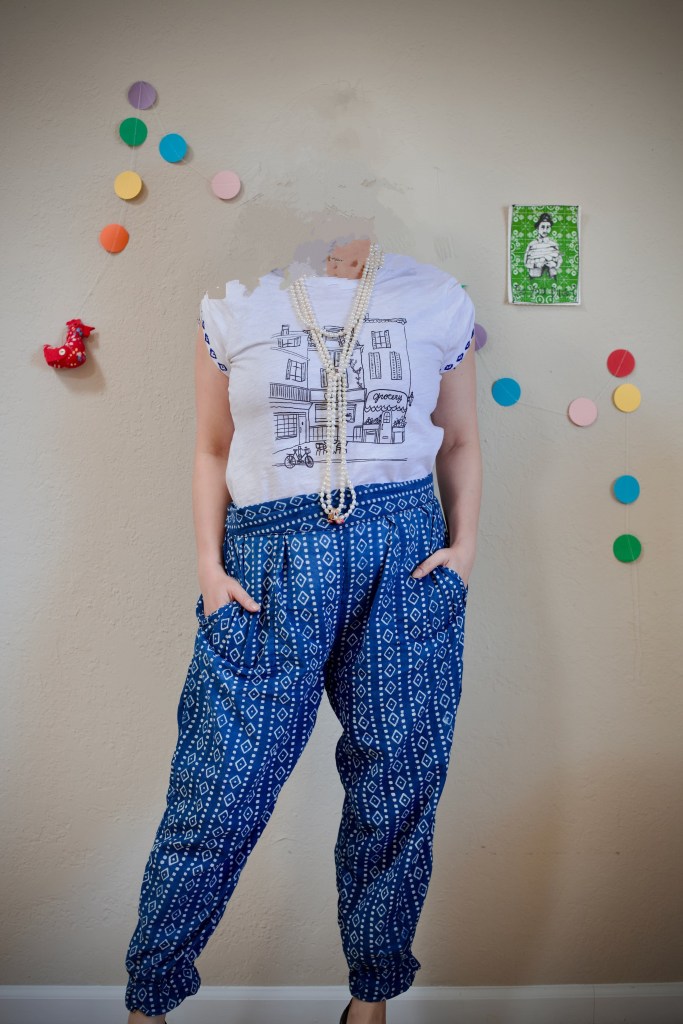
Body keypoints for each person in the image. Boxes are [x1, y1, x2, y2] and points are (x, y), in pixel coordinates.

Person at [124, 237, 482, 1024]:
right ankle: (147, 1005)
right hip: (267, 559)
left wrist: (462, 552)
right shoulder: (234, 303)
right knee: (217, 792)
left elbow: (457, 437)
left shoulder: (436, 297)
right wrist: (209, 569)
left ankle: (369, 1004)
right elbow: (212, 447)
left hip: (405, 558)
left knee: (396, 790)